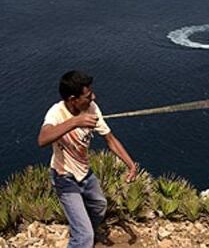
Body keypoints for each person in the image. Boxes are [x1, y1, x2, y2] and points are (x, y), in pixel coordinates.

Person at [38, 70, 137, 248]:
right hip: (64, 177)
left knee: (99, 206)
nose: (93, 97)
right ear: (72, 99)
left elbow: (110, 140)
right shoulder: (56, 113)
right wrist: (76, 122)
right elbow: (43, 139)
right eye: (88, 95)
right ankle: (83, 238)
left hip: (85, 173)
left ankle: (83, 234)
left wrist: (131, 166)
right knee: (84, 236)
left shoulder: (91, 108)